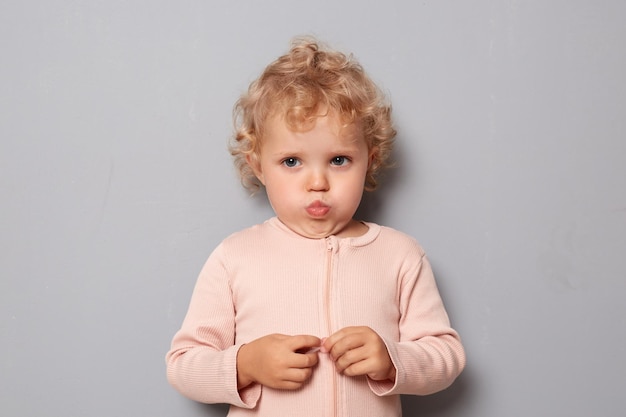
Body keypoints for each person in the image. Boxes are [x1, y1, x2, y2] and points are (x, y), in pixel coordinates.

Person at [165, 36, 465, 417]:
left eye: (339, 160)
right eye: (292, 162)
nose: (318, 182)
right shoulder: (235, 257)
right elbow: (184, 364)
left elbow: (446, 355)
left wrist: (393, 360)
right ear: (258, 166)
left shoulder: (399, 254)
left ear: (368, 161)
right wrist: (245, 363)